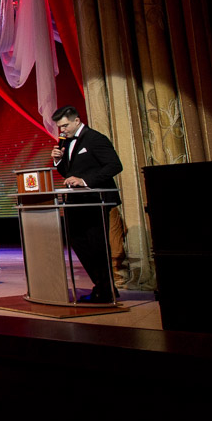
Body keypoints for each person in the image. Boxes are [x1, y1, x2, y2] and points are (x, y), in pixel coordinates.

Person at [50, 106, 124, 303]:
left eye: (65, 126)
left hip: (95, 201)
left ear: (77, 121)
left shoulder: (95, 138)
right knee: (78, 241)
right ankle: (104, 285)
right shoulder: (66, 142)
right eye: (60, 127)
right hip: (77, 202)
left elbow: (115, 165)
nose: (62, 130)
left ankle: (105, 290)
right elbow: (69, 173)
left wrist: (84, 181)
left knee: (97, 245)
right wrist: (58, 161)